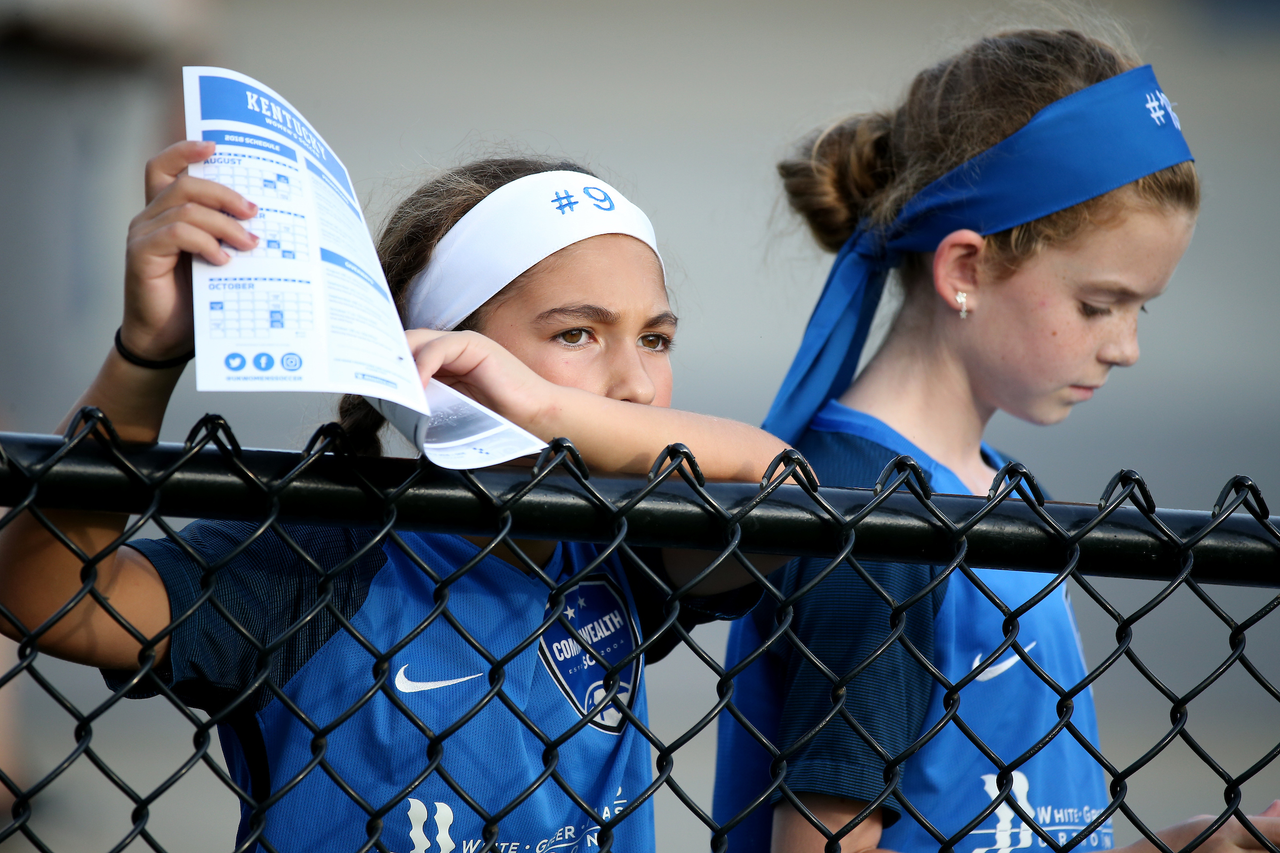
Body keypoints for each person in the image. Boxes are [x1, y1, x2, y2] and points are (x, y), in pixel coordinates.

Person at [0, 142, 790, 853]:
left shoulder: (620, 543)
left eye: (655, 338)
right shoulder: (319, 553)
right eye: (576, 334)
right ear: (446, 357)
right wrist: (146, 355)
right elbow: (45, 599)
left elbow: (784, 490)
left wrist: (553, 408)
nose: (639, 384)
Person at [712, 27, 1280, 853]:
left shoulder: (994, 489)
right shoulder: (871, 517)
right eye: (1098, 304)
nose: (1126, 347)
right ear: (965, 270)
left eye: (1139, 308)